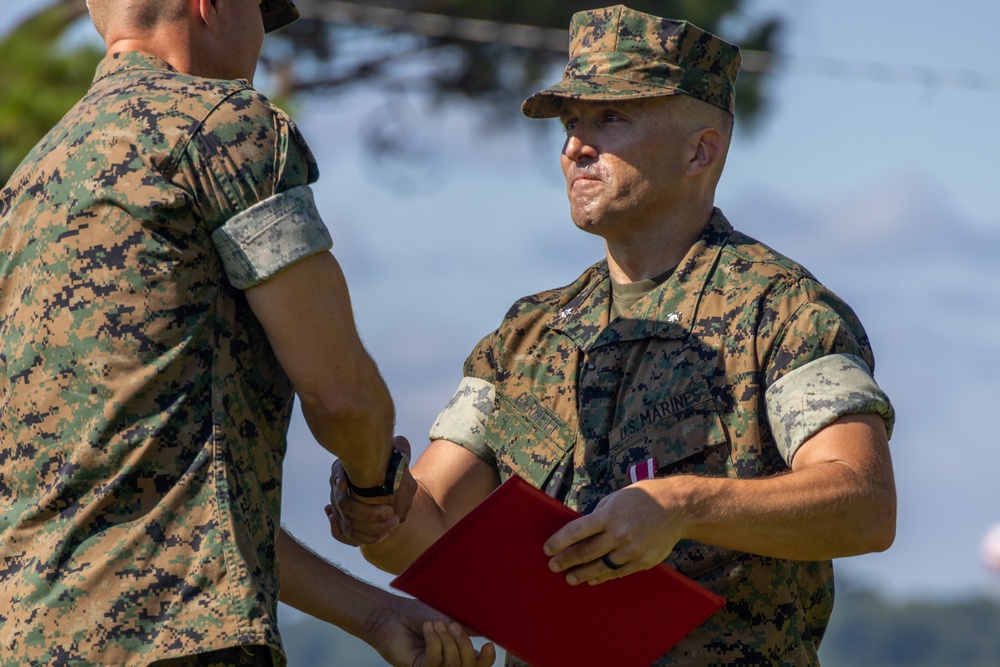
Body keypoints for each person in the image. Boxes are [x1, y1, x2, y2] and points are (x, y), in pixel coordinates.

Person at [328, 4, 897, 665]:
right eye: (571, 124)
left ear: (700, 150)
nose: (575, 146)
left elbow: (864, 503)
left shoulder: (780, 310)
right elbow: (424, 528)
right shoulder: (526, 335)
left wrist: (682, 504)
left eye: (611, 118)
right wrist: (377, 501)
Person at [0, 0, 495, 666]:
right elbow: (341, 393)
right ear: (214, 6)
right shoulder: (222, 126)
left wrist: (378, 615)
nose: (264, 40)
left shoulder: (28, 183)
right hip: (174, 644)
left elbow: (195, 514)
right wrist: (374, 488)